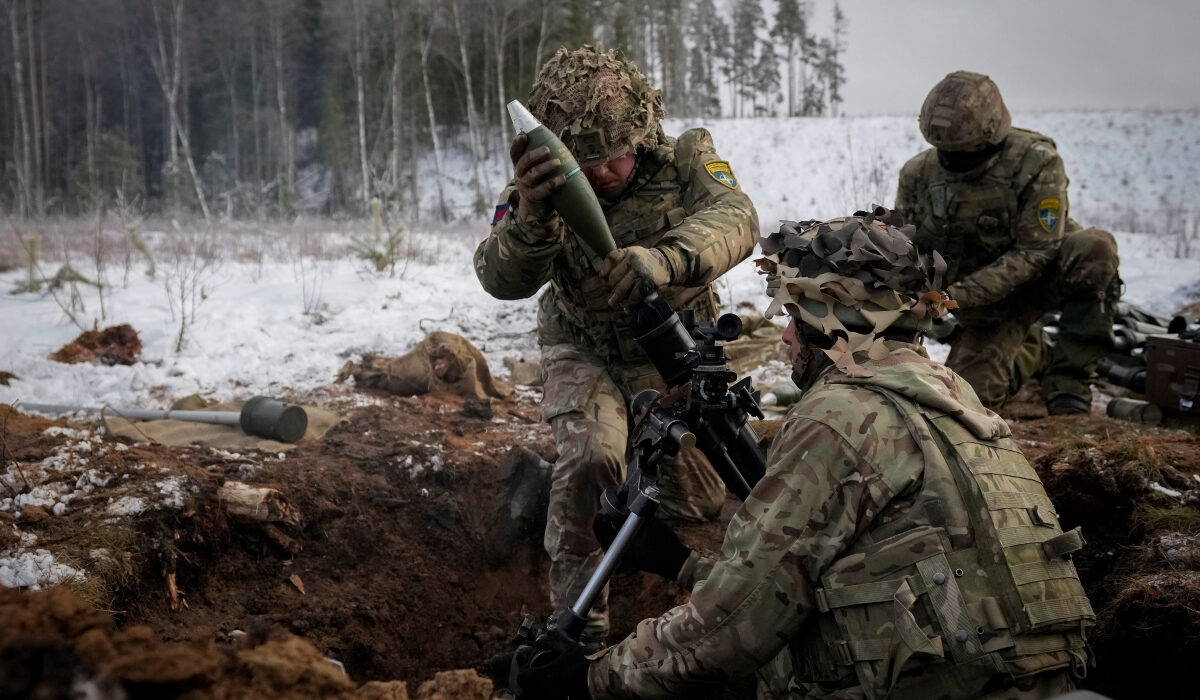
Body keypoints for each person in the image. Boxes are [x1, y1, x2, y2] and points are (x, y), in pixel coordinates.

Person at [513, 212, 1095, 700]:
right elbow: (856, 577)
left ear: (832, 321)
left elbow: (734, 630)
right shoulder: (952, 395)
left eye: (794, 317)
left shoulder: (839, 418)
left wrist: (592, 677)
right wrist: (681, 566)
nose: (785, 336)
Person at [474, 45, 759, 644]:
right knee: (590, 460)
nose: (602, 173)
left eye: (615, 157)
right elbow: (500, 279)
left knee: (704, 501)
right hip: (584, 348)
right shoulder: (537, 190)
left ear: (642, 131)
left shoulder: (685, 159)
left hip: (672, 353)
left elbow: (737, 218)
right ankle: (580, 637)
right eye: (588, 162)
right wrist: (531, 217)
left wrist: (664, 259)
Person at [895, 70, 1122, 415]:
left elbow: (1036, 251)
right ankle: (1031, 354)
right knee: (965, 400)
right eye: (944, 151)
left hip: (1042, 278)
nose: (953, 160)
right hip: (987, 305)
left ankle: (1069, 378)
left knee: (1095, 248)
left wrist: (952, 299)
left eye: (964, 152)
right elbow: (911, 249)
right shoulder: (918, 174)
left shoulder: (1036, 161)